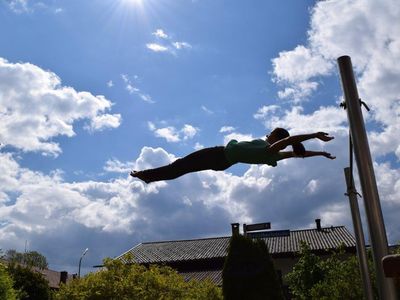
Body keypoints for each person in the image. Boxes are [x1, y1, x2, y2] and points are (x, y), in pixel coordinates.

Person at [130, 128, 335, 184]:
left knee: (181, 165)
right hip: (223, 161)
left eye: (271, 133)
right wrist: (321, 153)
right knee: (181, 167)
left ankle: (147, 175)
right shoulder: (275, 155)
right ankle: (148, 176)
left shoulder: (271, 151)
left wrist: (315, 135)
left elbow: (291, 143)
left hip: (220, 154)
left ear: (276, 137)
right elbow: (299, 154)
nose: (267, 134)